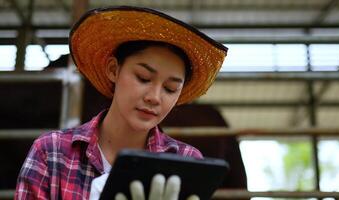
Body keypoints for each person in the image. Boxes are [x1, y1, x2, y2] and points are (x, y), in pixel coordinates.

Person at [15, 5, 227, 200]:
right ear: (113, 70)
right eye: (143, 78)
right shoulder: (51, 153)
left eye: (170, 89)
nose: (154, 96)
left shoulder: (187, 161)